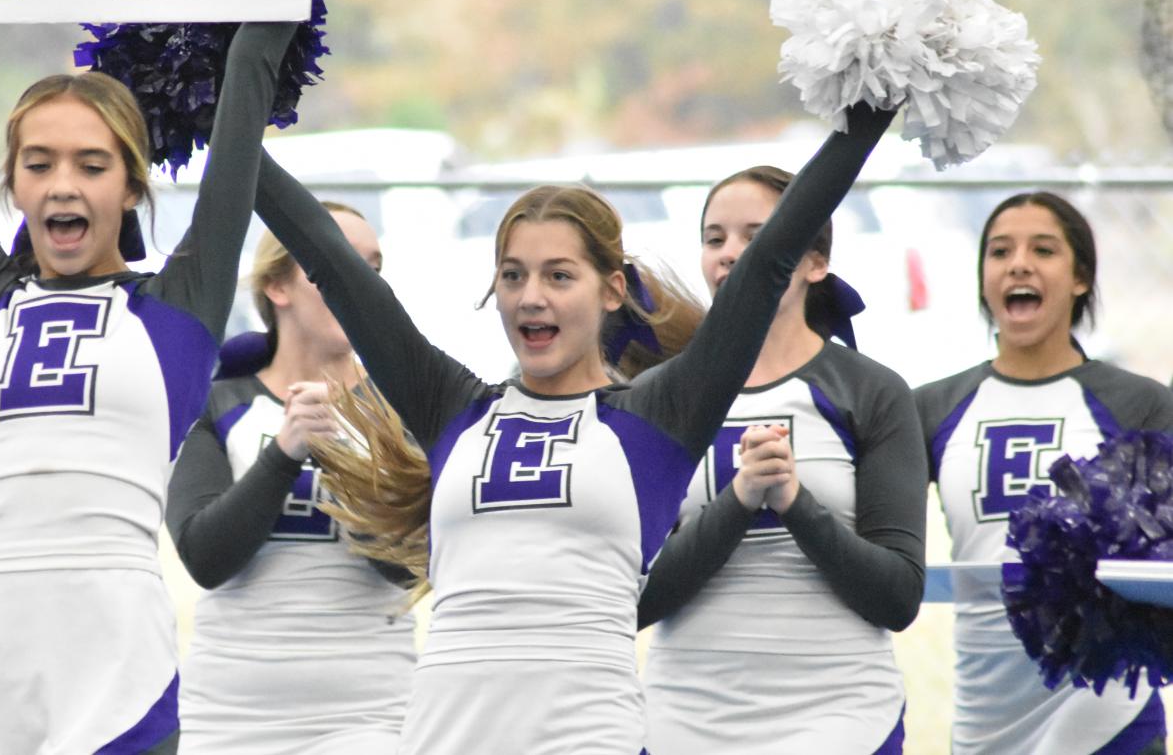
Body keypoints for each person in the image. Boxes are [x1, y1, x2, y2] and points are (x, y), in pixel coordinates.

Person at [248, 103, 897, 755]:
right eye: (512, 276)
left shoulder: (658, 416)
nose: (531, 297)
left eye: (559, 276)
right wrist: (230, 106)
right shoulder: (450, 405)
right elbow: (329, 262)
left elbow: (768, 264)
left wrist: (867, 113)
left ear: (611, 290)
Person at [0, 17, 297, 755]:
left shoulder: (178, 306)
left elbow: (248, 79)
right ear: (13, 182)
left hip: (113, 662)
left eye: (91, 164)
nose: (62, 185)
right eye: (38, 164)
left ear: (132, 185)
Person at [637, 164, 926, 754]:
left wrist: (796, 504)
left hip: (841, 717)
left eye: (757, 236)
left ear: (816, 264)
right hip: (684, 720)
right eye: (714, 238)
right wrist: (740, 501)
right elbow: (634, 598)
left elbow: (897, 598)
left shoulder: (871, 391)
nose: (730, 253)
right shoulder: (658, 396)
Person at [914, 191, 1172, 755]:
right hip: (985, 718)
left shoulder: (1141, 405)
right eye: (1000, 251)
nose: (1019, 264)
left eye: (1044, 249)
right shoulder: (933, 407)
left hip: (1109, 722)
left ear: (1080, 278)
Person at [164, 203, 417, 755]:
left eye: (373, 270)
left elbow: (405, 567)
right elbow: (205, 558)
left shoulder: (403, 407)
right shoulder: (217, 402)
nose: (362, 285)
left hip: (369, 716)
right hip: (228, 718)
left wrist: (339, 453)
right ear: (278, 287)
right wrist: (284, 452)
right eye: (339, 265)